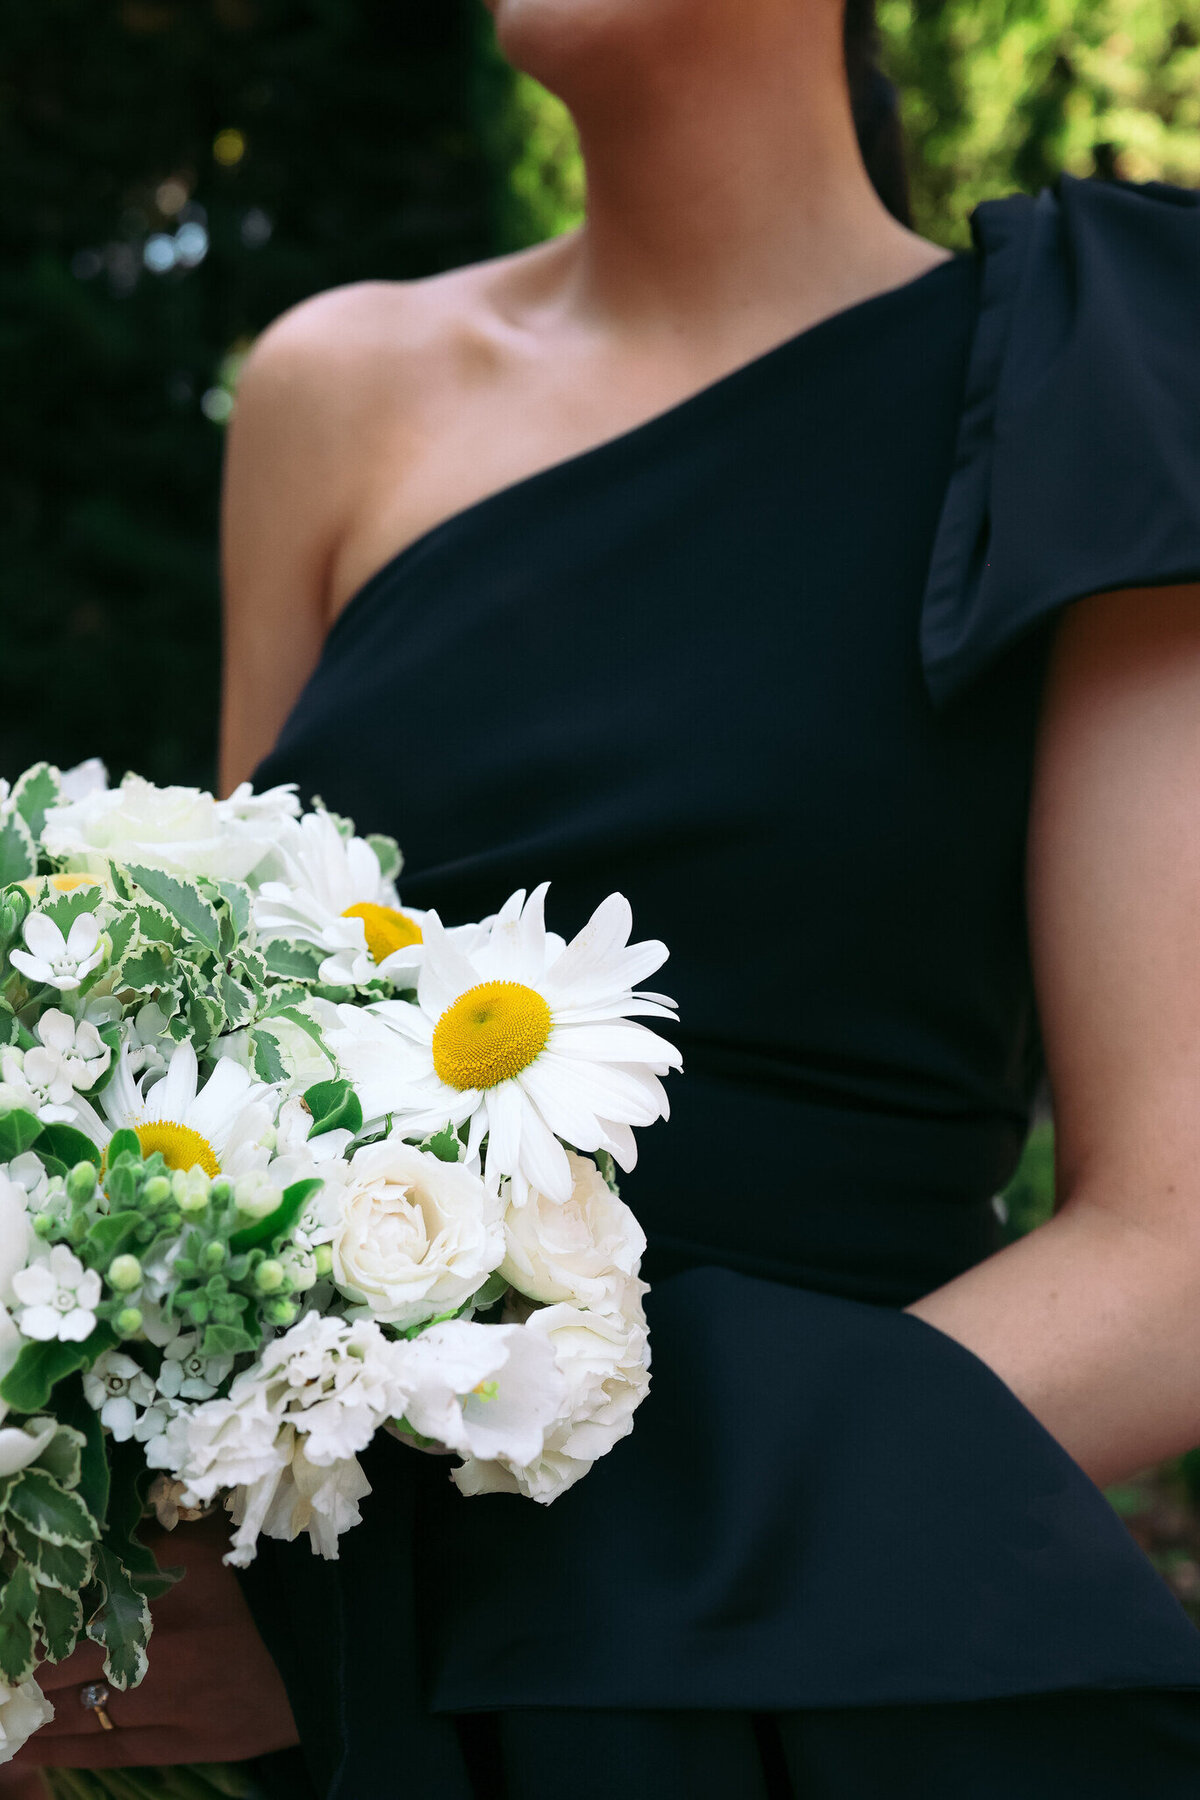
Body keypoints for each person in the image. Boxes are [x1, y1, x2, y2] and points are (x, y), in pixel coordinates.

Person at [11, 0, 1200, 1793]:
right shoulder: (334, 389)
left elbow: (1176, 1254)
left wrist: (450, 1594)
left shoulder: (1081, 383)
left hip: (807, 1686)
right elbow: (231, 1066)